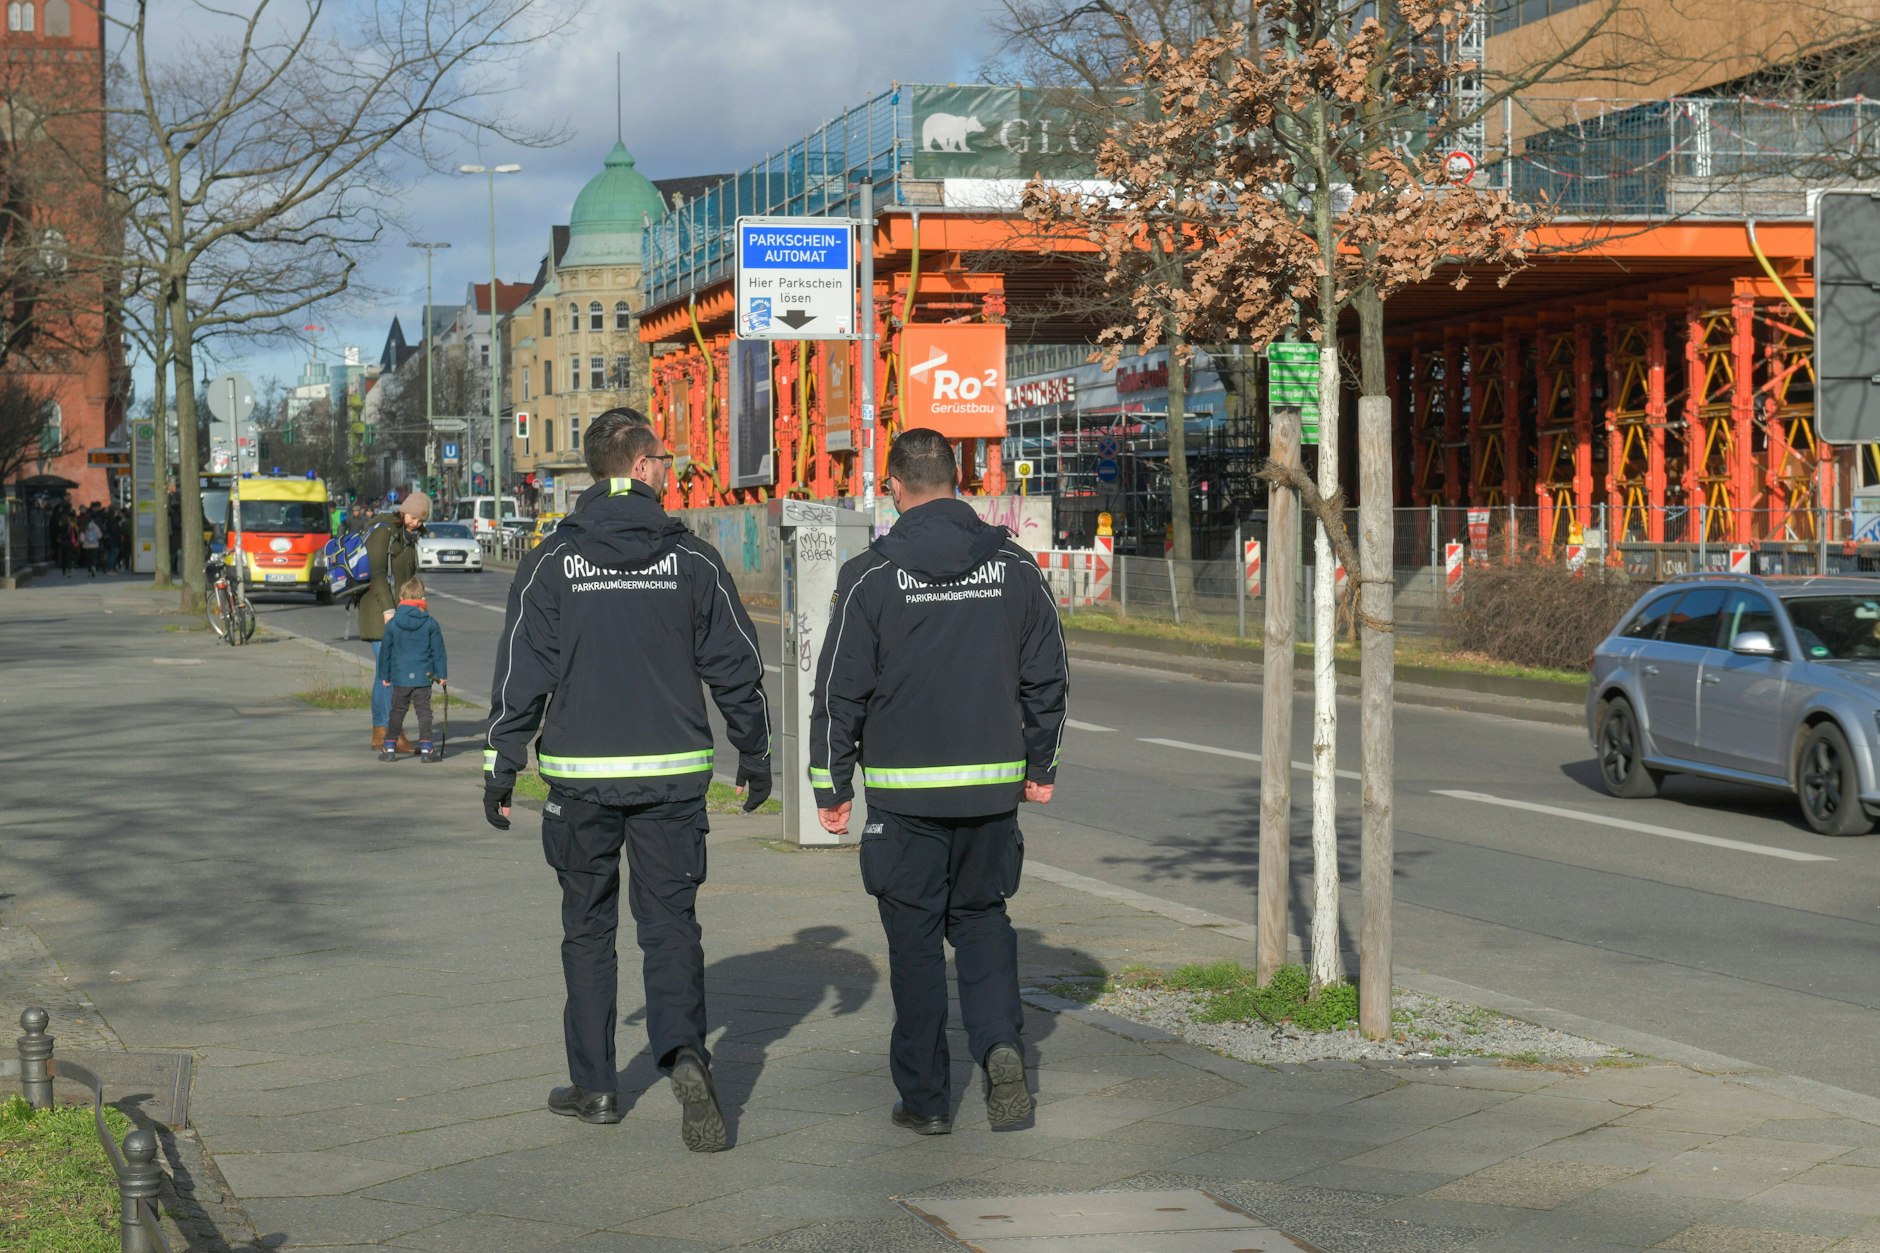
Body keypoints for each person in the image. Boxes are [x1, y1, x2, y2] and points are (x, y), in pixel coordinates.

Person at [483, 411, 771, 1150]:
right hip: (673, 779)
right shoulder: (692, 561)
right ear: (640, 467)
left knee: (587, 930)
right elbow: (737, 665)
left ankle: (598, 1087)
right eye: (663, 458)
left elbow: (523, 671)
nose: (669, 469)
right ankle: (684, 1054)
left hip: (581, 781)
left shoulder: (553, 562)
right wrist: (755, 751)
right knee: (671, 925)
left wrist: (502, 763)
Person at [809, 428, 1068, 1136]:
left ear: (895, 486)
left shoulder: (869, 574)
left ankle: (925, 1099)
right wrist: (1039, 765)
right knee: (984, 923)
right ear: (958, 481)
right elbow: (1050, 675)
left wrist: (830, 789)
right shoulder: (1015, 567)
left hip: (903, 802)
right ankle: (1001, 1046)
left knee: (915, 944)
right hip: (990, 796)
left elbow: (838, 693)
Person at [359, 491, 429, 753]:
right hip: (378, 612)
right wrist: (389, 611)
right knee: (391, 672)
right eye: (413, 517)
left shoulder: (408, 538)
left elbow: (407, 577)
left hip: (399, 612)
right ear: (403, 511)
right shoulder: (384, 532)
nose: (415, 523)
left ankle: (381, 732)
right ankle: (392, 731)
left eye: (420, 520)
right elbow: (377, 575)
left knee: (384, 673)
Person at [377, 577, 448, 763]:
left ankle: (389, 747)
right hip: (423, 676)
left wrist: (384, 675)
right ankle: (427, 749)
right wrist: (441, 675)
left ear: (401, 597)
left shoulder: (392, 624)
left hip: (400, 676)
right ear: (422, 598)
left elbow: (386, 651)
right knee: (424, 712)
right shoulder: (430, 624)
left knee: (397, 711)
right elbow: (438, 651)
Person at [79, 513, 102, 577]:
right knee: (94, 558)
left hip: (86, 546)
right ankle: (94, 567)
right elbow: (100, 536)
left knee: (88, 559)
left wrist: (81, 541)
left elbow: (82, 539)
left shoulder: (84, 527)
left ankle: (89, 571)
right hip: (95, 545)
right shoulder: (95, 526)